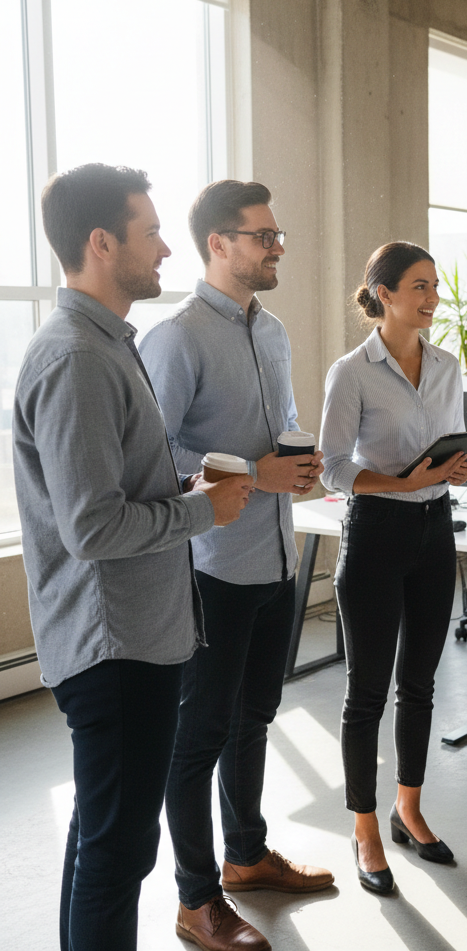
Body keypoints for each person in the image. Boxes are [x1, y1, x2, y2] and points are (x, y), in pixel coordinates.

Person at [13, 163, 251, 951]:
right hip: (115, 648)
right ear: (101, 243)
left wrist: (177, 484)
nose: (165, 251)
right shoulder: (77, 357)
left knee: (102, 836)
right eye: (151, 233)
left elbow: (108, 487)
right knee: (118, 851)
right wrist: (197, 509)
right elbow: (90, 526)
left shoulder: (108, 344)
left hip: (137, 638)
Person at [139, 181, 333, 951]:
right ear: (218, 244)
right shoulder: (177, 337)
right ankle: (196, 901)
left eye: (277, 235)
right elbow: (155, 457)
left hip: (274, 558)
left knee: (255, 717)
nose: (276, 246)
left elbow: (276, 426)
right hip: (211, 566)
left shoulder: (273, 330)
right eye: (263, 237)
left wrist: (296, 457)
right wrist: (255, 469)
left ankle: (246, 856)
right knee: (200, 736)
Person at [320, 242, 467, 895]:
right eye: (419, 285)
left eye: (435, 285)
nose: (432, 296)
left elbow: (451, 444)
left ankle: (409, 810)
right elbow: (330, 468)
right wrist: (404, 479)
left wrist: (453, 468)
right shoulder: (351, 372)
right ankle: (365, 828)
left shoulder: (447, 365)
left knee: (421, 685)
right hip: (377, 535)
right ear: (384, 294)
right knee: (367, 695)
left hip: (435, 531)